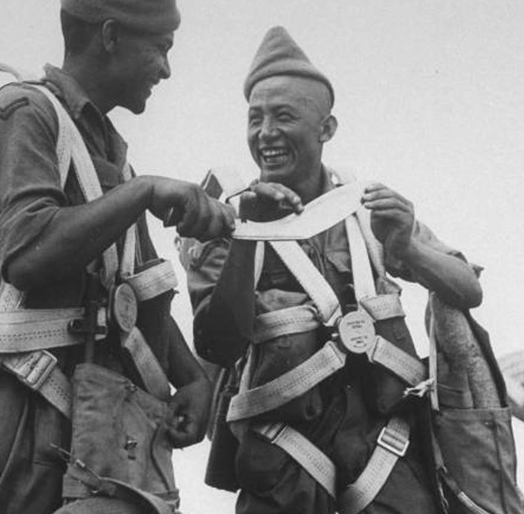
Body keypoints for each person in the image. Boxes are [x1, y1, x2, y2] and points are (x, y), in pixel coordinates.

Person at [0, 0, 235, 513]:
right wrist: (142, 193)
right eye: (161, 47)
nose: (167, 69)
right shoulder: (21, 113)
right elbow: (26, 253)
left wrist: (193, 379)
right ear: (110, 36)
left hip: (101, 435)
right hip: (27, 426)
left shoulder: (110, 155)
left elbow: (137, 292)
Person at [184, 26, 483, 514]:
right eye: (255, 119)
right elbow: (218, 343)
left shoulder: (365, 209)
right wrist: (247, 237)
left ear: (326, 129)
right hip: (281, 457)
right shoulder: (223, 218)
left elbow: (466, 289)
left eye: (284, 117)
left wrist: (407, 245)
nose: (265, 134)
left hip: (385, 453)